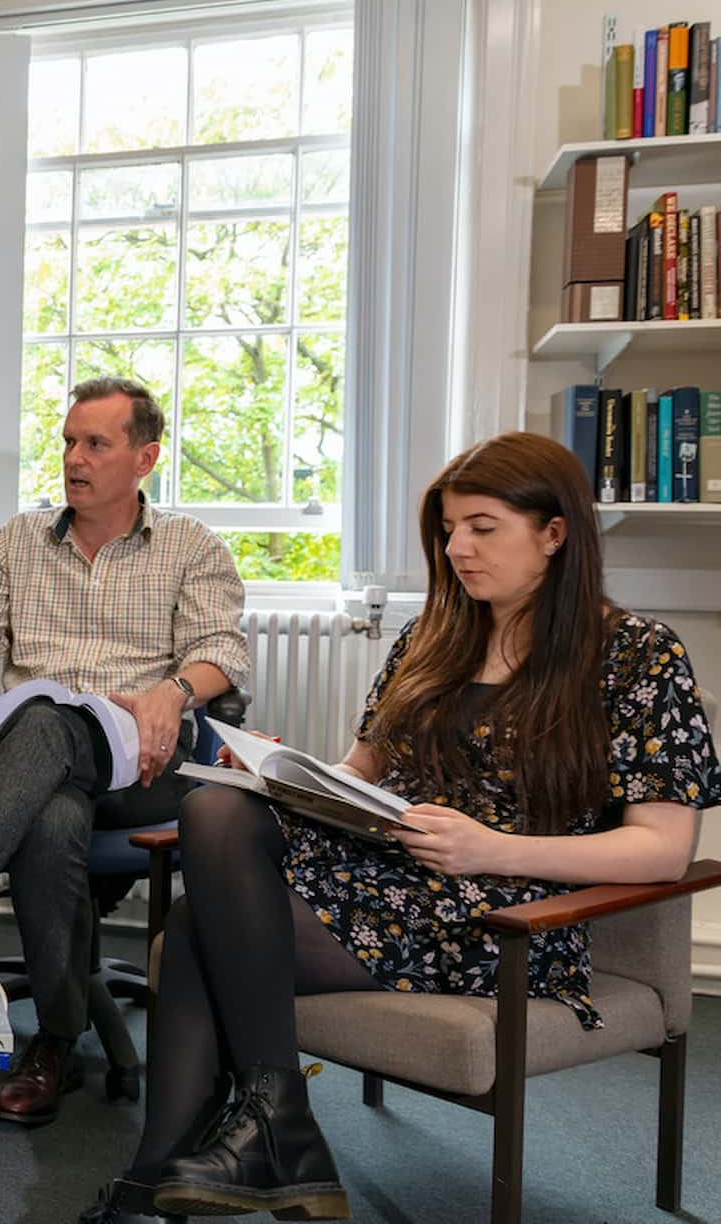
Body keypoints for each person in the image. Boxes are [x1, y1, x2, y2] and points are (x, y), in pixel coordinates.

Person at [82, 431, 720, 1224]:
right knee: (219, 803)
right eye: (449, 530)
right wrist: (289, 777)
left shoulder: (637, 656)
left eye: (483, 528)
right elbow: (360, 775)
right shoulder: (435, 639)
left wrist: (490, 848)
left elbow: (664, 848)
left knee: (190, 927)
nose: (457, 549)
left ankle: (187, 1173)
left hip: (505, 915)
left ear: (555, 534)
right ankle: (269, 1132)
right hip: (390, 878)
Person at [0, 376, 248, 1126]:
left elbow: (223, 654)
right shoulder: (19, 539)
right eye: (68, 442)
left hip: (145, 764)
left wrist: (173, 691)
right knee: (49, 792)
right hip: (40, 754)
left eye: (95, 444)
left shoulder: (191, 545)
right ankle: (54, 1040)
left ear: (144, 459)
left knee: (49, 723)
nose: (74, 459)